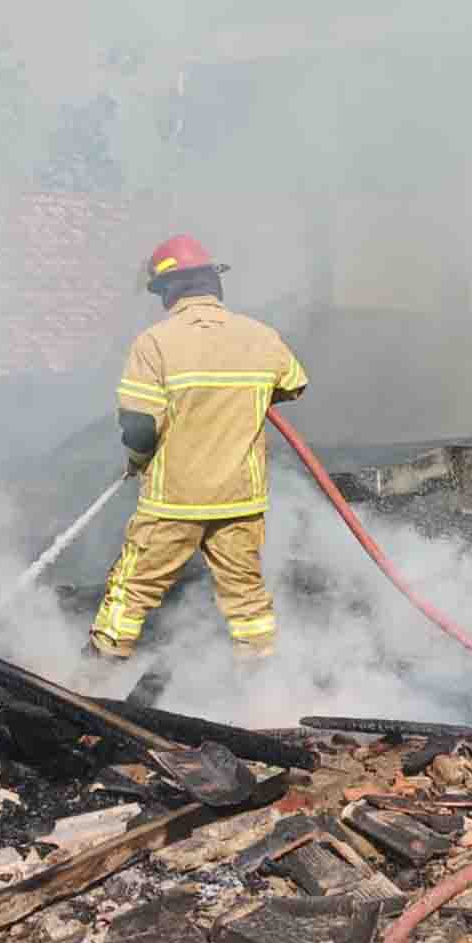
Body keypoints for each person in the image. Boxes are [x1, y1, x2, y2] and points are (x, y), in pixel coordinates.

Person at [85, 234, 308, 664]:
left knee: (132, 591)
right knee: (246, 598)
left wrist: (136, 461)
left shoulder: (155, 342)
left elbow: (139, 424)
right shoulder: (261, 337)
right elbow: (293, 385)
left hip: (174, 500)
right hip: (240, 498)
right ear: (213, 283)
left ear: (168, 291)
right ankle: (260, 678)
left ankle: (97, 675)